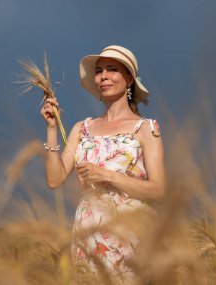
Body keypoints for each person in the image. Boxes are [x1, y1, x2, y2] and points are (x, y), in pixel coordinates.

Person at [40, 45, 166, 283]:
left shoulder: (146, 129)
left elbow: (159, 190)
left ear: (129, 78)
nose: (103, 76)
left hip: (130, 235)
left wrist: (108, 176)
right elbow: (54, 180)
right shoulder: (82, 128)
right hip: (89, 235)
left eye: (112, 69)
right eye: (99, 71)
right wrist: (52, 129)